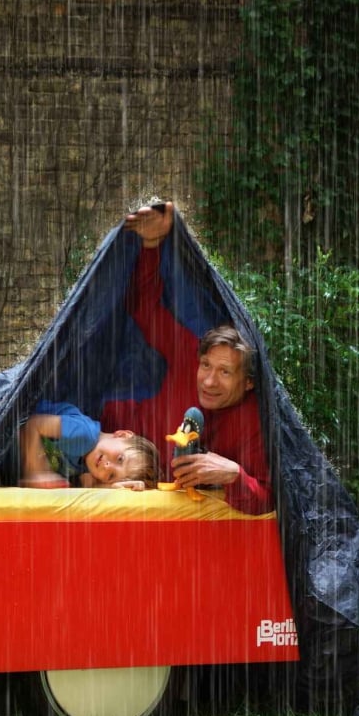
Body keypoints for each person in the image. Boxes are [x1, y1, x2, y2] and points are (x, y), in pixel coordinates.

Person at [103, 201, 272, 514]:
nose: (208, 380)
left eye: (225, 372)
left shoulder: (252, 421)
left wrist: (234, 476)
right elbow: (144, 309)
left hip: (151, 499)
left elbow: (267, 500)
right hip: (107, 444)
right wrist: (153, 244)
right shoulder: (190, 352)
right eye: (206, 365)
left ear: (248, 383)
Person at [18, 400, 158, 490]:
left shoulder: (88, 463)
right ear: (122, 435)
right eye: (120, 459)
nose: (107, 467)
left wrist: (113, 487)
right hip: (16, 417)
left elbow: (90, 487)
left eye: (111, 476)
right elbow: (32, 424)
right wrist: (36, 471)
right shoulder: (84, 435)